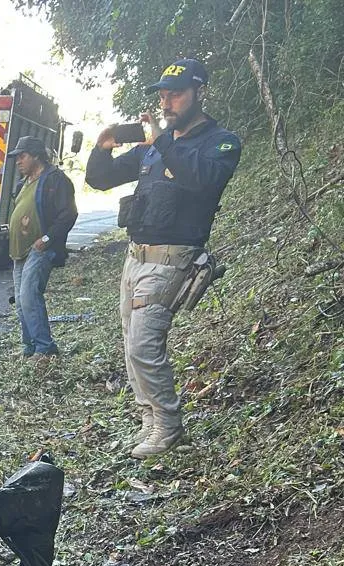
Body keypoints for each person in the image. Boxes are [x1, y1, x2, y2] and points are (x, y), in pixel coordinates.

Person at [86, 57, 242, 458]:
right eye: (163, 95)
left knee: (143, 345)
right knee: (129, 344)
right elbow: (99, 179)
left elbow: (202, 179)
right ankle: (149, 422)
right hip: (135, 257)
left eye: (176, 94)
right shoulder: (154, 148)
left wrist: (163, 142)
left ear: (197, 93)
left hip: (173, 259)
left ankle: (169, 426)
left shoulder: (220, 142)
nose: (168, 102)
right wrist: (102, 145)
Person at [6, 135, 78, 367]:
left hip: (40, 248)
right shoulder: (23, 181)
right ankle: (29, 348)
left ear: (36, 155)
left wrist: (47, 238)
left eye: (22, 156)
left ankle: (45, 348)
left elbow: (68, 214)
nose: (18, 161)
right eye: (16, 157)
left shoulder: (55, 180)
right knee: (20, 300)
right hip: (20, 251)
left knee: (29, 295)